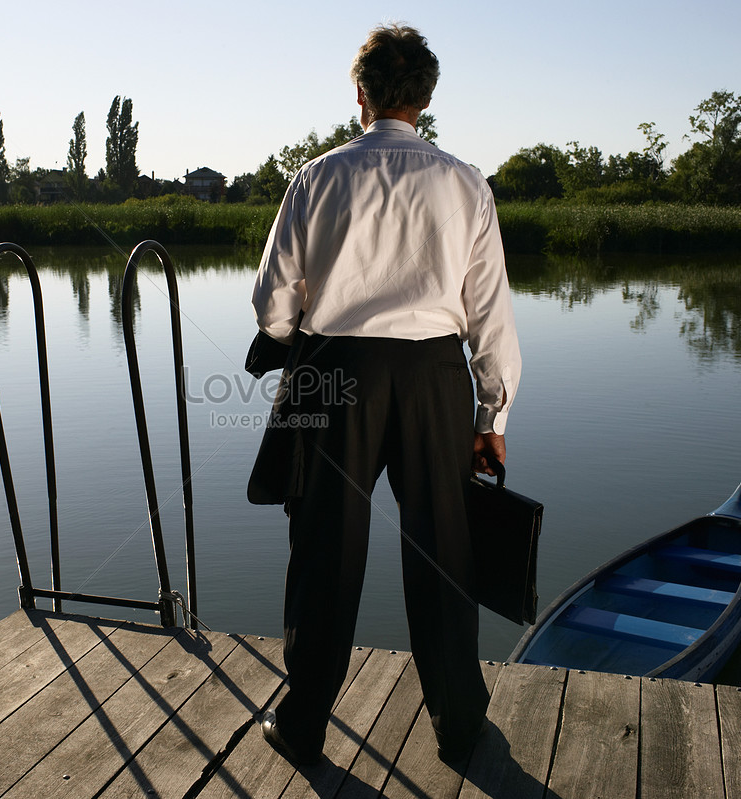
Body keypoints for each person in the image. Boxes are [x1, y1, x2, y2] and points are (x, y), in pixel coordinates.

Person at [250, 23, 521, 768]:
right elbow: (490, 313)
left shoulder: (316, 176)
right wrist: (491, 414)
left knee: (324, 548)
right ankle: (460, 726)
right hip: (435, 378)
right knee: (444, 550)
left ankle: (303, 721)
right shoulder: (466, 182)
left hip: (334, 374)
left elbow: (273, 309)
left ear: (359, 94)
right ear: (426, 98)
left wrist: (311, 319)